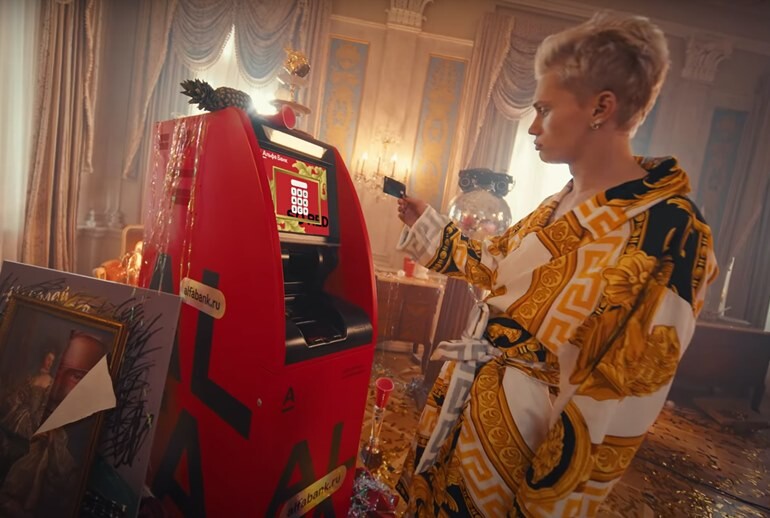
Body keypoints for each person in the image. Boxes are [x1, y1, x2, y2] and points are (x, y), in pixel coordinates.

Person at [394, 12, 718, 517]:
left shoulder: (671, 230)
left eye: (544, 109)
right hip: (463, 412)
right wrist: (430, 225)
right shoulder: (558, 202)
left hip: (526, 447)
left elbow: (617, 401)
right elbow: (497, 265)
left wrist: (548, 505)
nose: (532, 126)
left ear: (601, 108)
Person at [0, 331, 108, 517]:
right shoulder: (31, 381)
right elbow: (16, 401)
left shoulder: (56, 393)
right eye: (48, 361)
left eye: (76, 376)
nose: (48, 364)